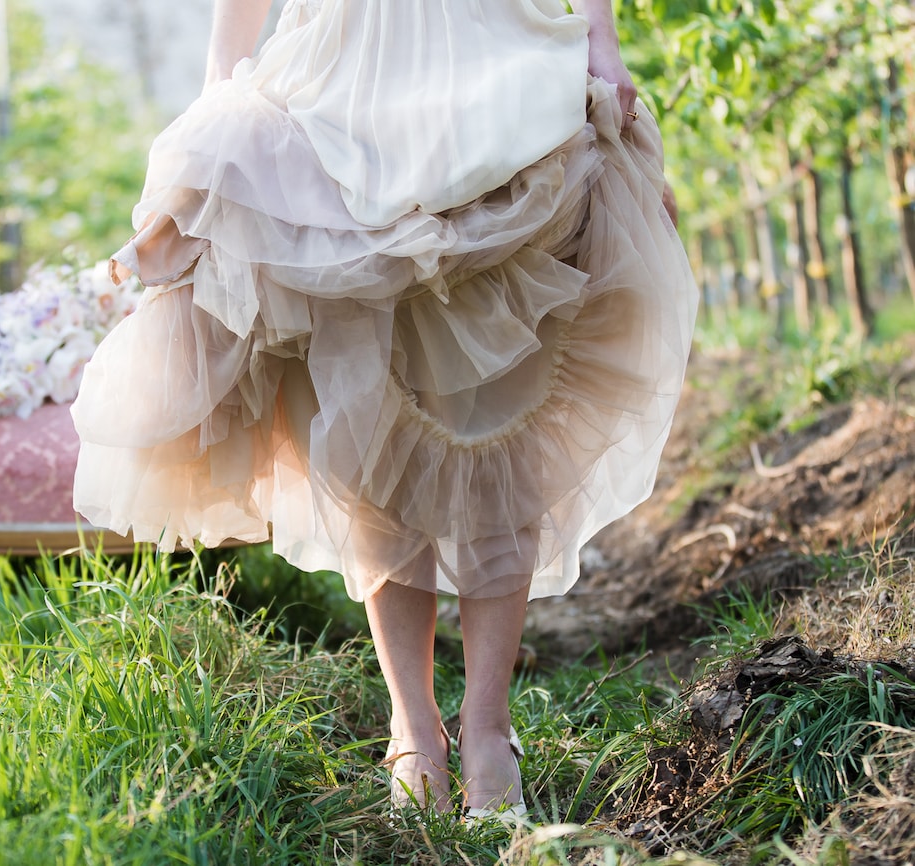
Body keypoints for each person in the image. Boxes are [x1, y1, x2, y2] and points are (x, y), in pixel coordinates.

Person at [72, 0, 697, 821]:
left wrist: (602, 40)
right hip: (342, 72)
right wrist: (222, 72)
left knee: (504, 404)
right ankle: (413, 722)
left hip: (497, 57)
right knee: (363, 402)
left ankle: (486, 725)